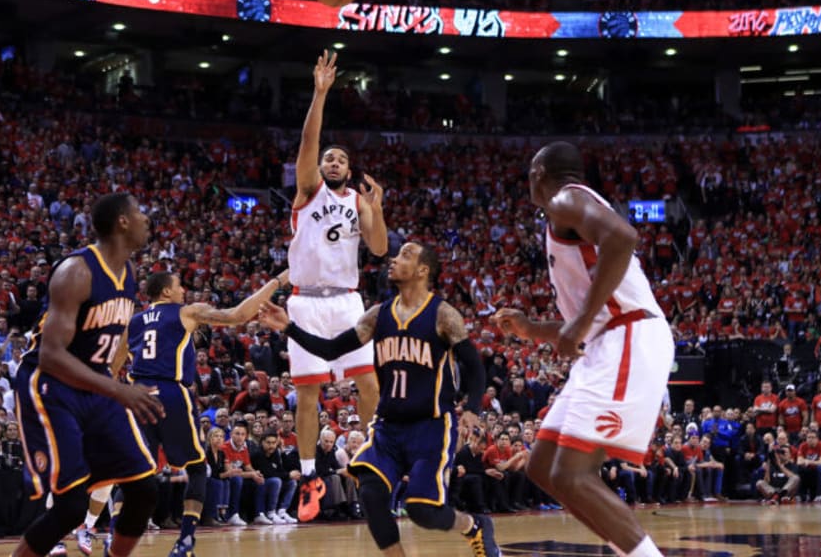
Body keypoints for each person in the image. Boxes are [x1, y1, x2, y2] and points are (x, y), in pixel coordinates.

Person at [260, 241, 499, 556]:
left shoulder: (442, 314)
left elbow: (473, 366)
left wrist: (471, 407)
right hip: (388, 426)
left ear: (423, 270)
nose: (394, 259)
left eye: (405, 256)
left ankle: (474, 526)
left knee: (422, 511)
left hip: (431, 426)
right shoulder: (378, 315)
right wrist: (289, 327)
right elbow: (331, 350)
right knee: (370, 491)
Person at [494, 142, 673, 557]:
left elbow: (623, 236)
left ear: (538, 173)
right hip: (607, 338)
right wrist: (533, 327)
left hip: (630, 336)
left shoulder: (566, 198)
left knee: (573, 474)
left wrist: (576, 323)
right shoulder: (566, 213)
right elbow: (586, 323)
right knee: (544, 467)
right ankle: (631, 549)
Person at [12, 193, 165, 557]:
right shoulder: (76, 272)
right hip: (50, 384)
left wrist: (119, 385)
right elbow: (51, 355)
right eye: (140, 212)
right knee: (70, 508)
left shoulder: (128, 273)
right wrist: (119, 390)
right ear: (122, 222)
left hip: (94, 382)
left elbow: (114, 335)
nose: (147, 219)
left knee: (145, 489)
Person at [286, 50, 388, 521]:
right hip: (306, 303)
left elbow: (381, 249)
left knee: (368, 384)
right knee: (309, 394)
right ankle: (309, 475)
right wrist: (320, 93)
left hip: (348, 302)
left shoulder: (359, 202)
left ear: (350, 169)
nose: (331, 161)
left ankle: (370, 460)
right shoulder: (309, 192)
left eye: (340, 158)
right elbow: (309, 141)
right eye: (328, 157)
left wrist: (379, 207)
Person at [125, 269, 288, 556]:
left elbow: (113, 367)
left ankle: (115, 534)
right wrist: (277, 282)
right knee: (198, 468)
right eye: (178, 285)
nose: (183, 290)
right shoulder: (185, 312)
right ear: (165, 292)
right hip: (170, 393)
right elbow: (237, 315)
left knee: (136, 471)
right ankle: (185, 541)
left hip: (136, 395)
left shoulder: (134, 322)